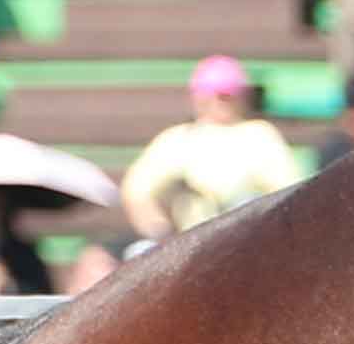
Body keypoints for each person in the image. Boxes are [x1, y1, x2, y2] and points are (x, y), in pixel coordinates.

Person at [125, 55, 304, 236]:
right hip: (194, 242)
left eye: (227, 96)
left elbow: (290, 192)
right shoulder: (178, 140)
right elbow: (137, 191)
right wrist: (160, 232)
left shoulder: (259, 135)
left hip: (250, 237)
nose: (220, 102)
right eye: (215, 95)